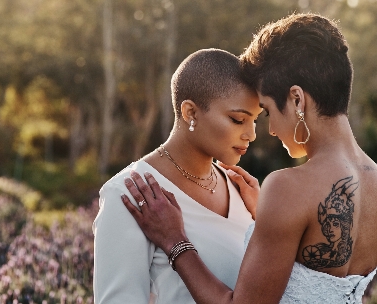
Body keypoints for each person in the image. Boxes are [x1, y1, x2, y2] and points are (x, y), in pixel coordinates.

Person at [123, 14, 377, 304]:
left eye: (266, 111)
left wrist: (174, 241)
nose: (270, 130)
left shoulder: (289, 187)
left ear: (297, 100)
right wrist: (265, 217)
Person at [93, 49, 263, 303]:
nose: (251, 134)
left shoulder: (243, 192)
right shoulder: (131, 193)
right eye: (238, 119)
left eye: (255, 121)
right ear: (190, 113)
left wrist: (265, 220)